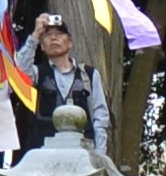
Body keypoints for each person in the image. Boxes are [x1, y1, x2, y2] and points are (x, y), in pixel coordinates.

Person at [12, 12, 111, 150]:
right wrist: (35, 34)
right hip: (43, 153)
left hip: (82, 155)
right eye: (47, 35)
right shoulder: (38, 73)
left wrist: (99, 156)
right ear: (42, 45)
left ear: (70, 43)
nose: (53, 38)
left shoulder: (89, 75)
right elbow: (19, 71)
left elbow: (100, 119)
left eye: (59, 34)